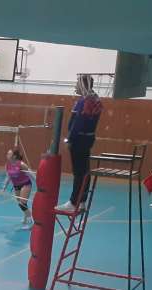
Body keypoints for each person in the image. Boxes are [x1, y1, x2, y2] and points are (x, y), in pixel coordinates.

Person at [56, 74, 102, 213]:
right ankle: (82, 201)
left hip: (79, 140)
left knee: (79, 172)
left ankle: (73, 202)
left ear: (83, 85)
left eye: (77, 83)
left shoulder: (84, 101)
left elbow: (78, 122)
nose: (75, 86)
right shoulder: (95, 99)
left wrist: (70, 139)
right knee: (85, 171)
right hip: (87, 139)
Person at [2, 148, 34, 229]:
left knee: (22, 204)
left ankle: (32, 221)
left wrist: (39, 183)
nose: (7, 155)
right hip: (16, 186)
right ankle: (26, 217)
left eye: (9, 154)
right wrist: (4, 187)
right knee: (21, 203)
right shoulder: (7, 165)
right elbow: (8, 176)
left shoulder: (21, 164)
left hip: (25, 184)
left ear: (14, 156)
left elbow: (31, 174)